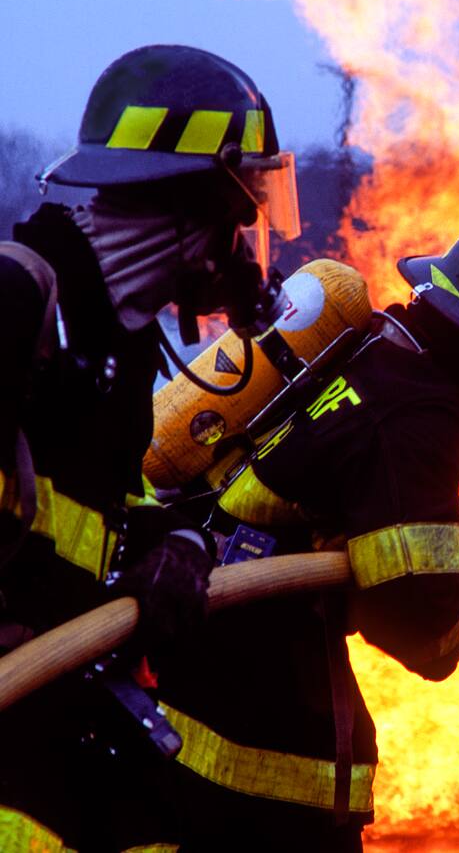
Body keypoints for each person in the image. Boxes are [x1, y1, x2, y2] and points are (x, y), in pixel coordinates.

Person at [150, 213, 459, 850]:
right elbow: (421, 630)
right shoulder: (415, 413)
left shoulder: (380, 352)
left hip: (206, 675)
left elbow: (364, 540)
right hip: (261, 746)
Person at [0, 44, 302, 851]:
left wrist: (174, 539)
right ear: (194, 203)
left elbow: (107, 504)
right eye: (244, 211)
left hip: (65, 709)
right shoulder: (17, 300)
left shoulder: (119, 344)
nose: (246, 245)